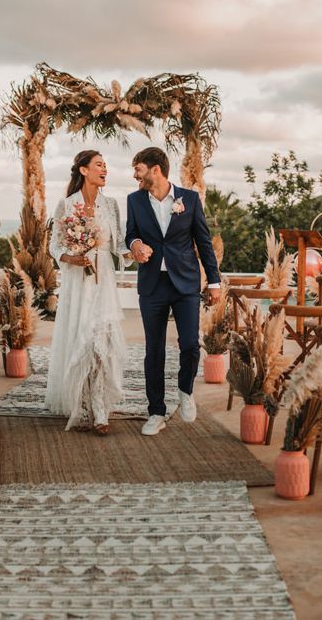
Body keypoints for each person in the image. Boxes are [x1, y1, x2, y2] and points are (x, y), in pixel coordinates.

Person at [126, 147, 221, 436]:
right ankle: (156, 412)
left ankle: (185, 390)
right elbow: (130, 233)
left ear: (156, 170)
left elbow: (203, 242)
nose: (135, 175)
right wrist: (135, 246)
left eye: (138, 169)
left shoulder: (189, 199)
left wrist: (214, 282)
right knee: (153, 350)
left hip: (186, 284)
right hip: (152, 284)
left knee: (191, 344)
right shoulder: (134, 200)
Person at [46, 150, 131, 434]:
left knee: (102, 343)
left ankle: (100, 408)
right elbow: (54, 246)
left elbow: (119, 244)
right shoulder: (67, 205)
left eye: (106, 165)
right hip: (77, 281)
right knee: (80, 338)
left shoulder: (111, 205)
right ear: (84, 170)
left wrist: (135, 253)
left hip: (103, 279)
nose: (104, 168)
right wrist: (70, 258)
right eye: (99, 165)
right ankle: (80, 404)